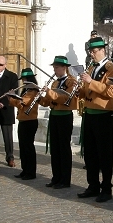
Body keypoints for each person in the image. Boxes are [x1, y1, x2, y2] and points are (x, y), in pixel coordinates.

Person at [77, 36, 113, 202]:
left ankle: (106, 188)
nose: (92, 55)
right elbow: (88, 90)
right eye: (90, 52)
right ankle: (92, 185)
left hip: (103, 114)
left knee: (104, 153)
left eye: (94, 52)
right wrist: (79, 88)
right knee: (90, 153)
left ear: (103, 50)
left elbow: (111, 92)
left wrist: (91, 82)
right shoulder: (91, 67)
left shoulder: (111, 69)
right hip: (89, 113)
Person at [41, 56, 78, 188]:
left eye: (57, 67)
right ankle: (56, 177)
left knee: (64, 148)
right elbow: (48, 101)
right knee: (55, 148)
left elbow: (64, 98)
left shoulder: (72, 81)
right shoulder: (55, 83)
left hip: (64, 115)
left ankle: (65, 179)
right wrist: (41, 97)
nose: (55, 70)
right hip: (54, 115)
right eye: (54, 67)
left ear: (64, 68)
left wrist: (50, 93)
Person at [7, 68, 40, 180]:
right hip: (23, 120)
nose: (23, 82)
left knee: (28, 147)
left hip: (30, 121)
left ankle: (31, 172)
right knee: (23, 147)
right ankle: (25, 170)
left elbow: (23, 103)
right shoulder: (26, 90)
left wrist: (11, 98)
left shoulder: (33, 90)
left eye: (25, 79)